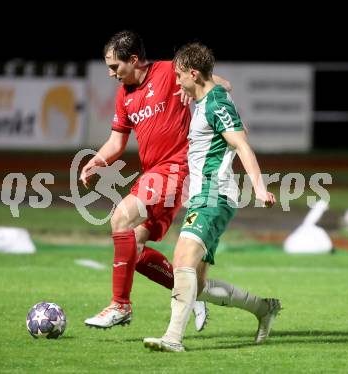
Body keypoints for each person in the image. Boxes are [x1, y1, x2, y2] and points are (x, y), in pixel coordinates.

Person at [80, 31, 230, 331]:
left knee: (121, 218)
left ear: (133, 60)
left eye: (115, 67)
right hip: (155, 173)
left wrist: (198, 88)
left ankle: (120, 306)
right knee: (132, 247)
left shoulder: (168, 71)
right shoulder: (125, 95)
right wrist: (96, 161)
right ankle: (191, 294)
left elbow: (223, 85)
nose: (111, 74)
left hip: (179, 169)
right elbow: (116, 142)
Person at [143, 42, 281, 352]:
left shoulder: (217, 105)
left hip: (213, 194)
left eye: (180, 77)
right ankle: (264, 309)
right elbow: (223, 82)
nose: (177, 83)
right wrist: (196, 86)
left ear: (194, 74)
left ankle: (173, 339)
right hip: (203, 196)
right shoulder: (208, 94)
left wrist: (259, 187)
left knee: (181, 259)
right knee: (199, 285)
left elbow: (242, 144)